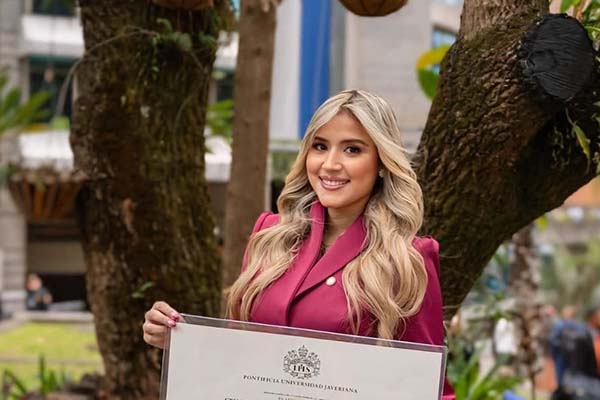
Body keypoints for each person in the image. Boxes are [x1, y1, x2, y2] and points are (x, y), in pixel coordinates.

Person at [143, 89, 455, 398]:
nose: (330, 164)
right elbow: (240, 358)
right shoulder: (269, 235)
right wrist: (182, 339)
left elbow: (427, 387)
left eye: (352, 149)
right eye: (320, 146)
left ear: (382, 162)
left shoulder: (407, 258)